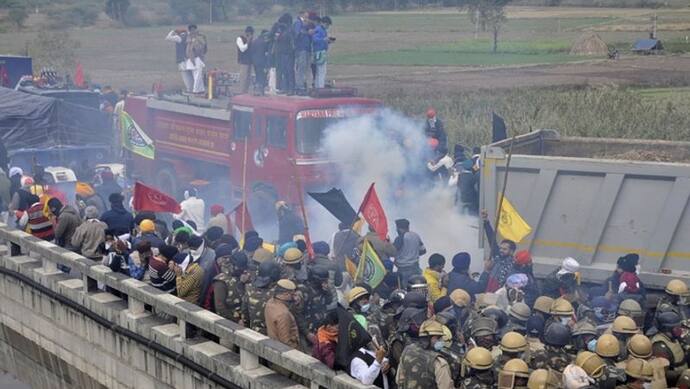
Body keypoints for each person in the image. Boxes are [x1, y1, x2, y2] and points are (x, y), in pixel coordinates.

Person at [396, 319, 454, 389]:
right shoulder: (439, 362)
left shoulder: (407, 350)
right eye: (439, 338)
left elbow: (399, 380)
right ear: (432, 338)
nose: (441, 341)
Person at [480, 209, 515, 292]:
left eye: (505, 249)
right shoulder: (497, 256)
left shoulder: (513, 266)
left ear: (511, 251)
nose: (501, 250)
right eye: (501, 248)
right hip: (488, 291)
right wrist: (486, 221)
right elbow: (491, 239)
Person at [242, 260, 281, 333]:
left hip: (252, 332)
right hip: (270, 335)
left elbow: (244, 313)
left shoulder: (249, 288)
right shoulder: (277, 293)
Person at [212, 248, 249, 322]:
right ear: (232, 264)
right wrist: (236, 321)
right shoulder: (221, 281)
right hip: (230, 321)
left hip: (245, 318)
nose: (242, 271)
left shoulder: (244, 275)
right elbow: (220, 308)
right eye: (239, 269)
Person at [265, 279, 300, 349]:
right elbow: (285, 342)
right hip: (286, 350)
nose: (294, 297)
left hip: (273, 344)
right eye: (292, 294)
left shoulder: (270, 302)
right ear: (286, 294)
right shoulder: (284, 314)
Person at [393, 219, 426, 286]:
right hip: (416, 268)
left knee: (406, 290)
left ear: (399, 228)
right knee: (417, 287)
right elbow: (423, 251)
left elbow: (392, 252)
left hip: (404, 270)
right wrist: (413, 253)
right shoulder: (416, 235)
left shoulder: (400, 238)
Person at [165, 28, 193, 93]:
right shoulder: (189, 36)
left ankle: (189, 89)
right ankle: (193, 89)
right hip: (189, 59)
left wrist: (173, 31)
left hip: (182, 59)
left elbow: (167, 38)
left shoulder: (179, 37)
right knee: (190, 75)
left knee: (185, 75)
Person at [293, 10, 313, 94]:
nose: (307, 19)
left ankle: (308, 85)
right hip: (301, 48)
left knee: (307, 67)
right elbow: (296, 34)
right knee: (301, 67)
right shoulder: (298, 23)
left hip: (307, 48)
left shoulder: (307, 24)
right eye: (305, 17)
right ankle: (299, 86)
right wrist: (306, 32)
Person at [312, 16, 333, 89]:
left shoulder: (322, 30)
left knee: (319, 71)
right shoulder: (319, 29)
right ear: (323, 23)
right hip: (320, 52)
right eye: (327, 25)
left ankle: (318, 87)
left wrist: (328, 41)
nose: (328, 26)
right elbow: (314, 39)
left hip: (320, 52)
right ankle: (320, 87)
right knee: (322, 71)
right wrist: (324, 39)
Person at [186, 24, 207, 95]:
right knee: (197, 75)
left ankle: (201, 89)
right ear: (190, 30)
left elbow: (203, 47)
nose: (194, 31)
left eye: (194, 29)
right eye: (192, 29)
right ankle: (195, 91)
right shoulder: (189, 39)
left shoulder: (199, 37)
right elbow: (190, 50)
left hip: (198, 58)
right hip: (194, 58)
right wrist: (192, 60)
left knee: (198, 75)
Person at [251, 30, 270, 96]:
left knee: (257, 76)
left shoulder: (255, 41)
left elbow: (252, 52)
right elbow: (267, 52)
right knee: (262, 76)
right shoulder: (264, 42)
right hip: (262, 62)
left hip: (255, 62)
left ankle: (255, 91)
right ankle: (261, 92)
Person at [236, 26, 254, 94]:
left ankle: (246, 92)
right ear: (246, 33)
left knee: (248, 78)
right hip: (243, 61)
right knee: (243, 78)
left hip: (249, 61)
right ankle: (241, 92)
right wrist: (248, 42)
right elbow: (242, 49)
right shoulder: (239, 39)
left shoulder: (251, 40)